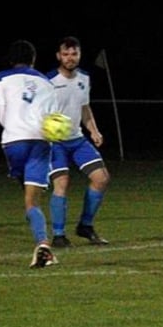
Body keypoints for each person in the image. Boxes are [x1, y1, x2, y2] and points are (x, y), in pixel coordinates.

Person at [0, 40, 59, 268]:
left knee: (28, 198)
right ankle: (43, 243)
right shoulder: (47, 83)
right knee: (33, 201)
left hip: (13, 142)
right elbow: (54, 119)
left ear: (11, 60)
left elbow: (2, 117)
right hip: (40, 141)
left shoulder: (0, 78)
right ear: (33, 59)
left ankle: (42, 242)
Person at [46, 36, 110, 247]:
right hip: (55, 143)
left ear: (80, 55)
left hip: (77, 140)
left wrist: (94, 130)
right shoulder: (48, 82)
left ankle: (85, 225)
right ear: (58, 56)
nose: (70, 58)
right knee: (62, 183)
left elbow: (84, 107)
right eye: (66, 54)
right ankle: (58, 235)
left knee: (101, 178)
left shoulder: (84, 78)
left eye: (74, 54)